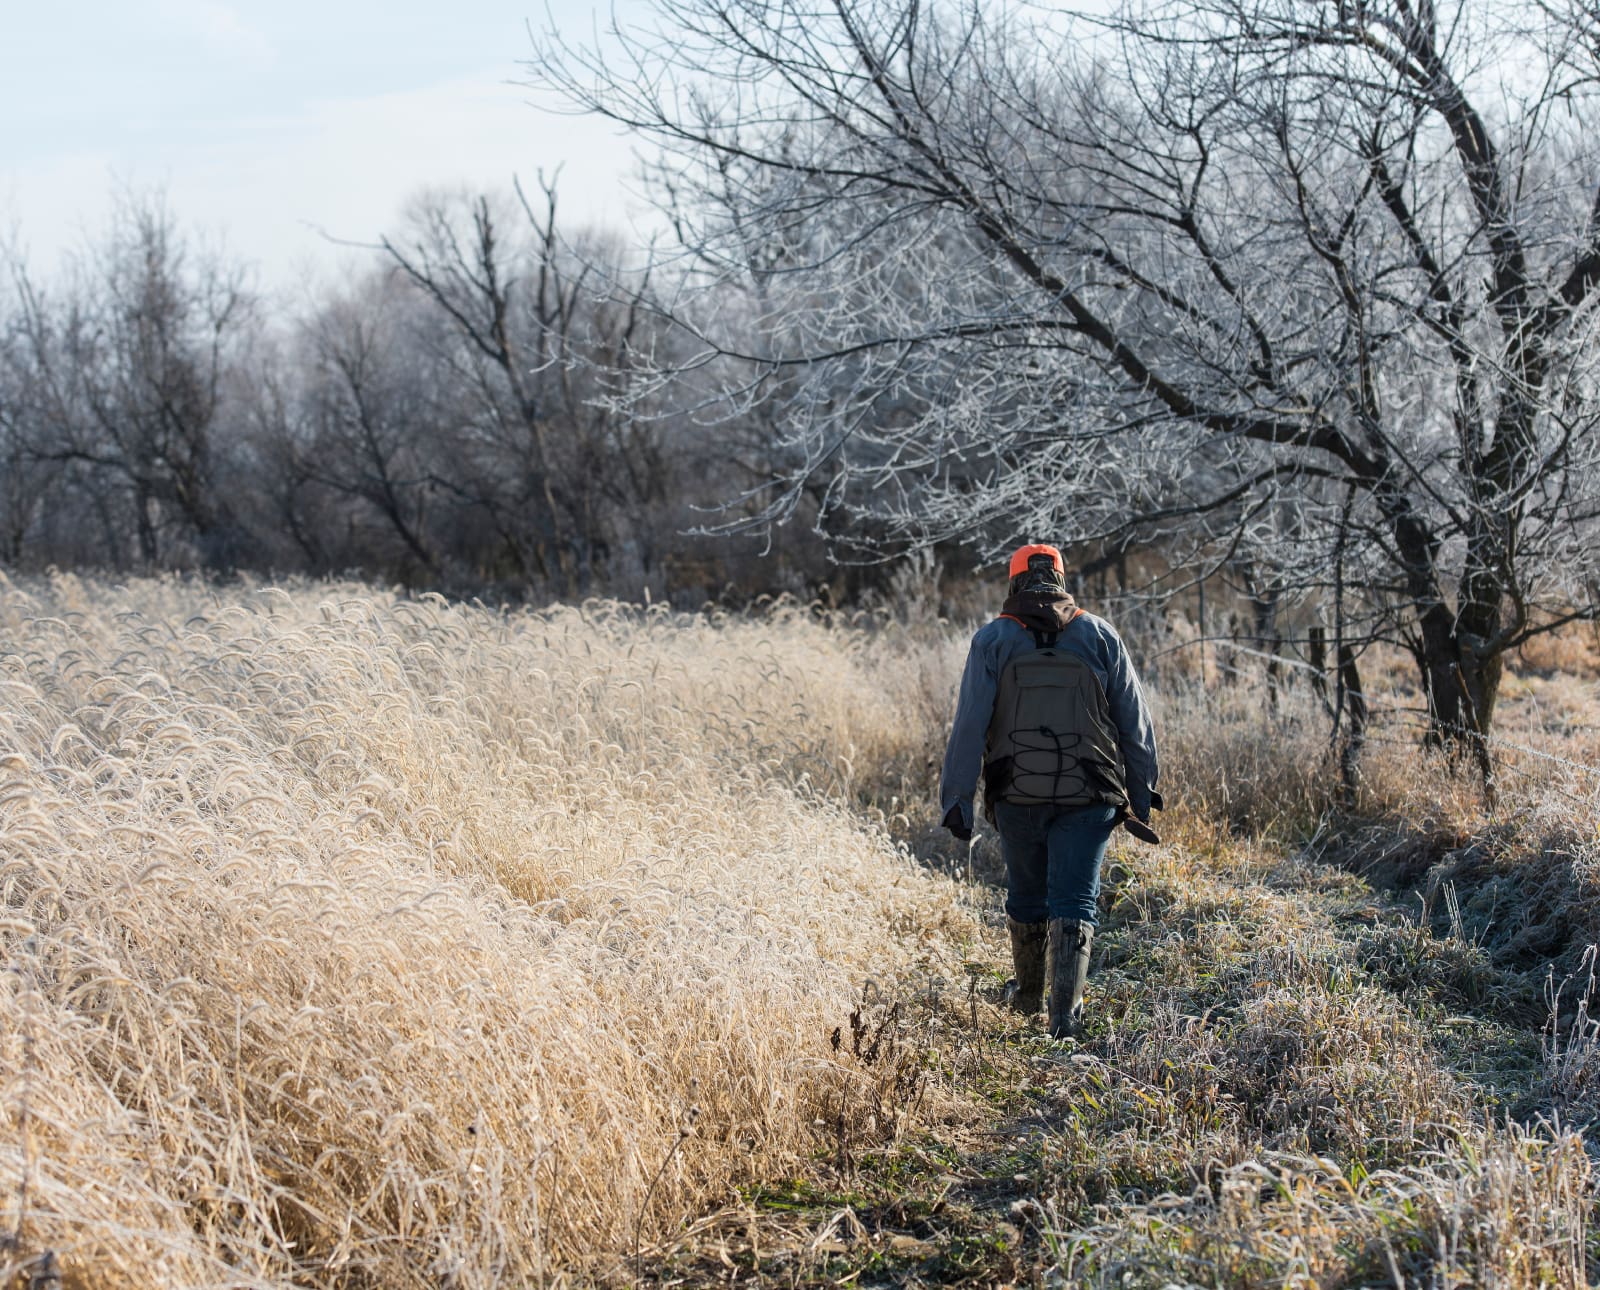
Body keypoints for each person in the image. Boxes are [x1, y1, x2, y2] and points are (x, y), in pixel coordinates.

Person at [940, 544, 1160, 1039]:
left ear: (1014, 581)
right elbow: (1135, 723)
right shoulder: (1100, 634)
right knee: (1076, 900)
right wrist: (1142, 789)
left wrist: (957, 799)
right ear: (1061, 579)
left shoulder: (992, 639)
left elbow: (969, 726)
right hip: (1092, 795)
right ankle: (1065, 1021)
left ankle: (1026, 1000)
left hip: (1016, 795)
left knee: (1026, 894)